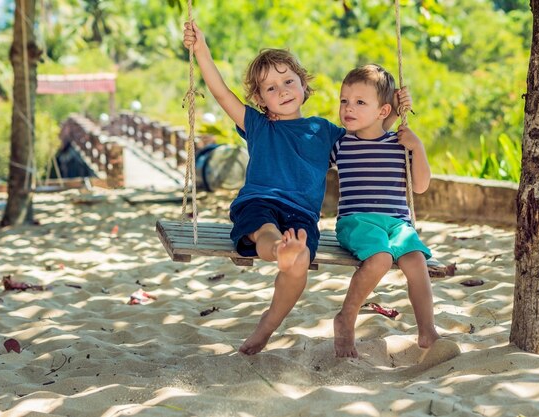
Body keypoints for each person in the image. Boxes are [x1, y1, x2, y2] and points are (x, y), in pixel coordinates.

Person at [183, 22, 356, 355]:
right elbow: (220, 92)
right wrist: (200, 49)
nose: (283, 91)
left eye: (289, 81)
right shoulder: (258, 125)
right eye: (271, 88)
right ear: (260, 99)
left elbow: (366, 139)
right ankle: (277, 249)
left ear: (304, 86)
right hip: (259, 201)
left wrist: (389, 114)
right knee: (264, 231)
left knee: (301, 259)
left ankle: (269, 323)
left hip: (303, 214)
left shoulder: (324, 130)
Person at [331, 64, 440, 358]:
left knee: (416, 262)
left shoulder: (400, 143)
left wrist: (418, 147)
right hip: (356, 221)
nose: (348, 108)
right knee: (380, 258)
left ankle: (427, 330)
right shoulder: (340, 143)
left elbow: (420, 186)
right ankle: (346, 317)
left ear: (382, 111)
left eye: (359, 102)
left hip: (397, 224)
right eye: (344, 101)